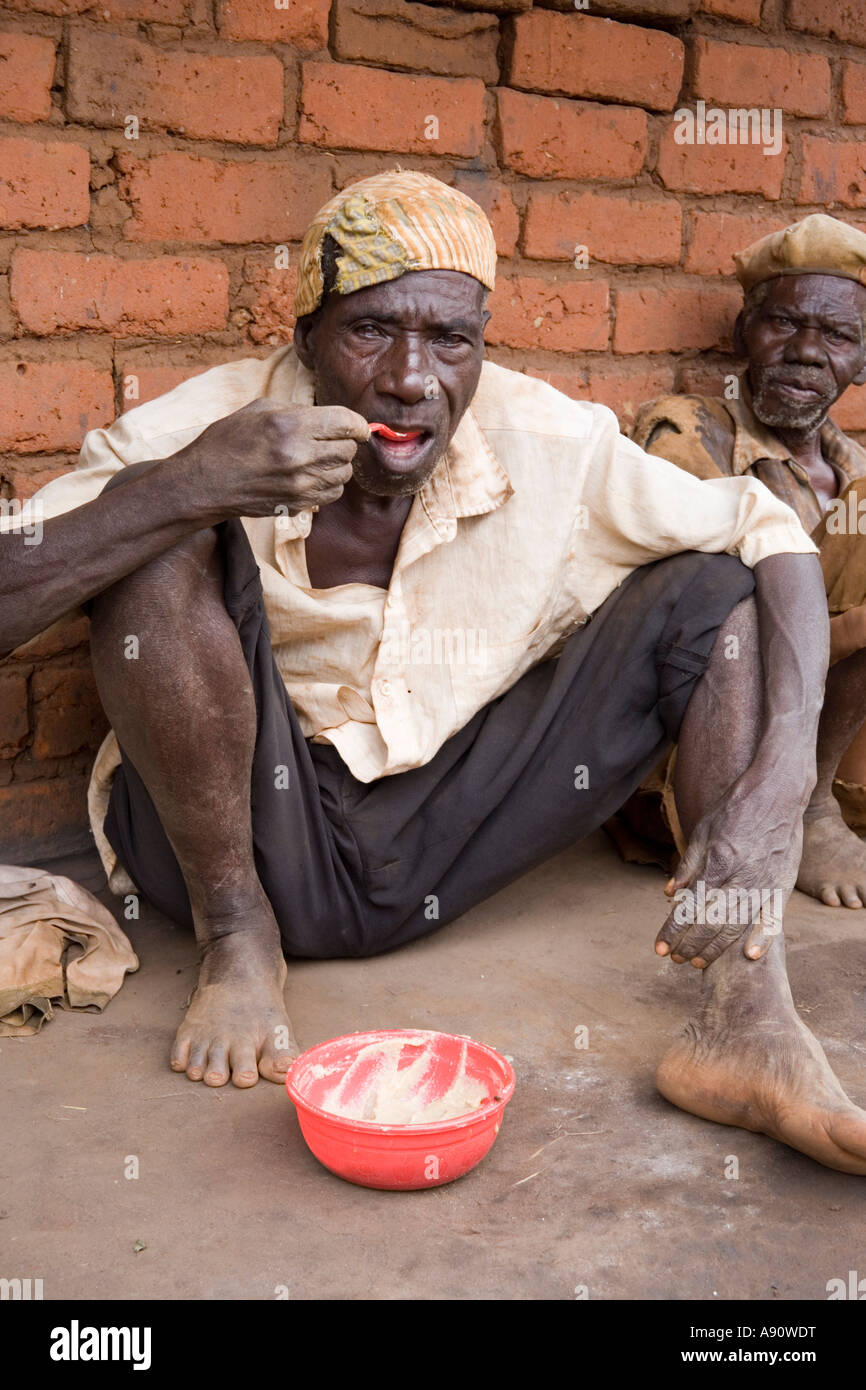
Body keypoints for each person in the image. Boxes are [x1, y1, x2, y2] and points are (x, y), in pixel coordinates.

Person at [1, 173, 863, 1174]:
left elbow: (767, 535)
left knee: (711, 589)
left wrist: (783, 787)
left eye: (450, 339)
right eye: (371, 332)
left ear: (480, 343)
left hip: (443, 825)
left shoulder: (543, 434)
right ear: (307, 333)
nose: (413, 377)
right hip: (243, 833)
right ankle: (238, 941)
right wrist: (184, 486)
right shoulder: (217, 418)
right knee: (153, 536)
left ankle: (742, 1021)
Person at [633, 214, 866, 911]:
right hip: (693, 754)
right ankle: (803, 811)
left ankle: (819, 801)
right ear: (743, 332)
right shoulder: (685, 437)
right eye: (783, 323)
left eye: (839, 336)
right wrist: (858, 629)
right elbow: (703, 640)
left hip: (818, 736)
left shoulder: (856, 472)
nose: (806, 351)